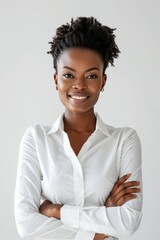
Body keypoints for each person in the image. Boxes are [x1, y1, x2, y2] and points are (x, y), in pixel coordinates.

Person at [14, 17, 143, 240]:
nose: (79, 85)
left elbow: (128, 222)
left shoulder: (124, 140)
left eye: (91, 76)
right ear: (56, 80)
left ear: (103, 81)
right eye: (68, 75)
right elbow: (27, 225)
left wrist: (56, 211)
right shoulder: (36, 139)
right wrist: (103, 221)